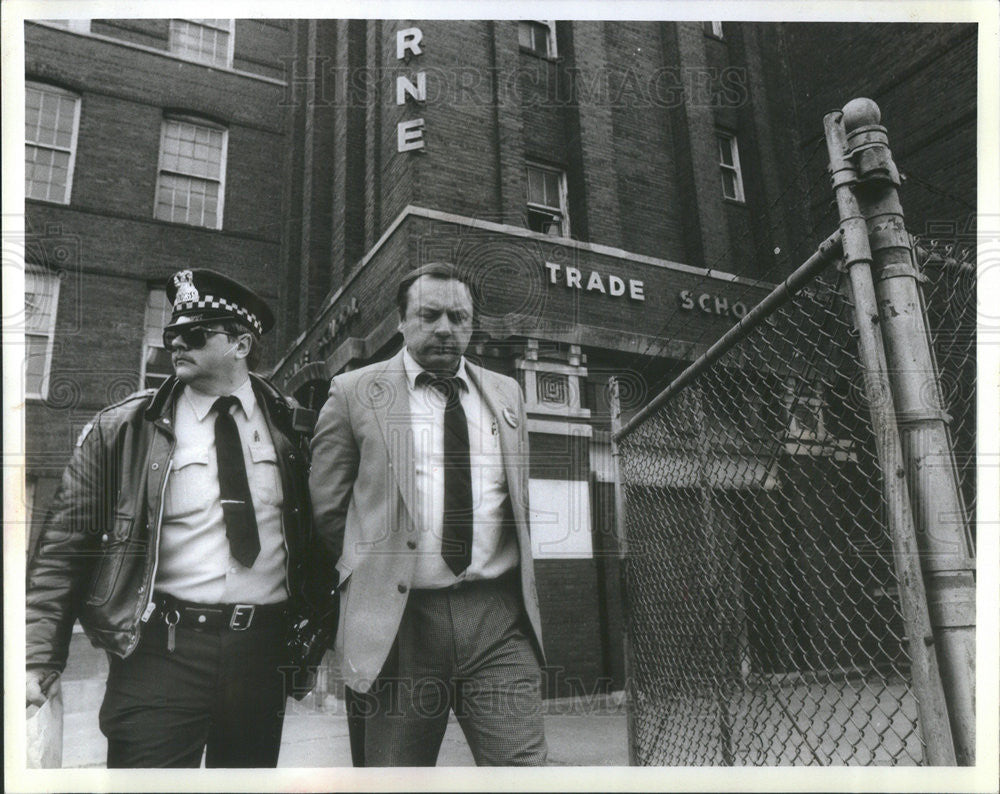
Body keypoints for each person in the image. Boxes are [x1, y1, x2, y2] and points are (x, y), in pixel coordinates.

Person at [26, 268, 327, 768]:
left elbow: (323, 535)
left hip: (261, 656)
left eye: (194, 334)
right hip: (159, 654)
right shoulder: (122, 428)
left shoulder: (294, 427)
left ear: (241, 343)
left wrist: (315, 634)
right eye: (171, 336)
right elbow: (62, 549)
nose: (175, 346)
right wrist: (37, 659)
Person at [309, 262, 548, 766]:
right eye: (429, 314)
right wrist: (378, 566)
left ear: (472, 323)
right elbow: (329, 509)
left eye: (458, 317)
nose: (445, 328)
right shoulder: (354, 392)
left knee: (522, 769)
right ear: (402, 320)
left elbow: (513, 500)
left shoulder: (506, 393)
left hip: (497, 618)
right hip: (401, 623)